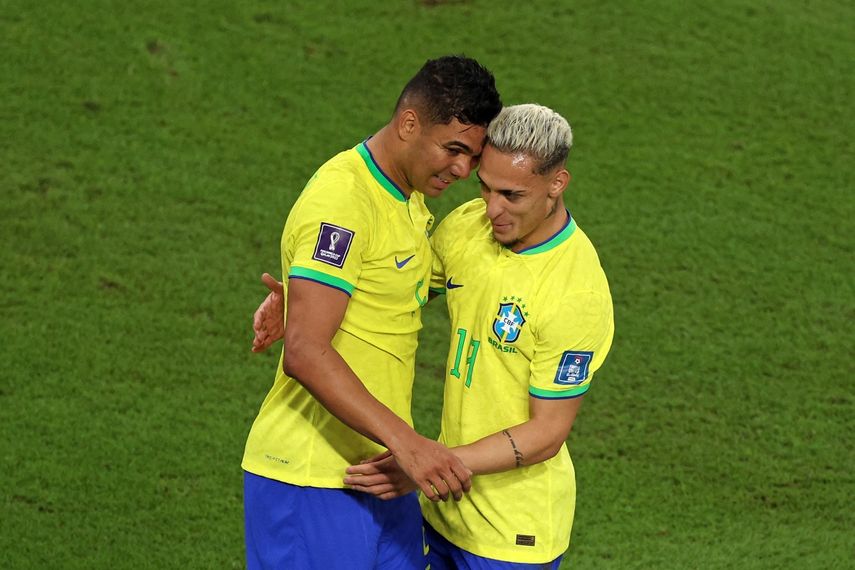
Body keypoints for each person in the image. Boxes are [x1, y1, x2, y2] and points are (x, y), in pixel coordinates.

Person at [254, 104, 614, 568]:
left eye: (512, 195)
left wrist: (428, 462)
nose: (493, 209)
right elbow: (391, 279)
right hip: (443, 512)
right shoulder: (470, 228)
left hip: (512, 537)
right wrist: (303, 295)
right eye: (485, 187)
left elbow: (547, 432)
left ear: (556, 185)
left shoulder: (575, 292)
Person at [241, 55, 502, 570]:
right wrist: (410, 445)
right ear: (409, 124)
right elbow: (306, 351)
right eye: (454, 149)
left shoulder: (408, 198)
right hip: (311, 479)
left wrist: (299, 296)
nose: (462, 170)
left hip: (379, 474)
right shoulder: (344, 201)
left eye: (472, 157)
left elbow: (388, 288)